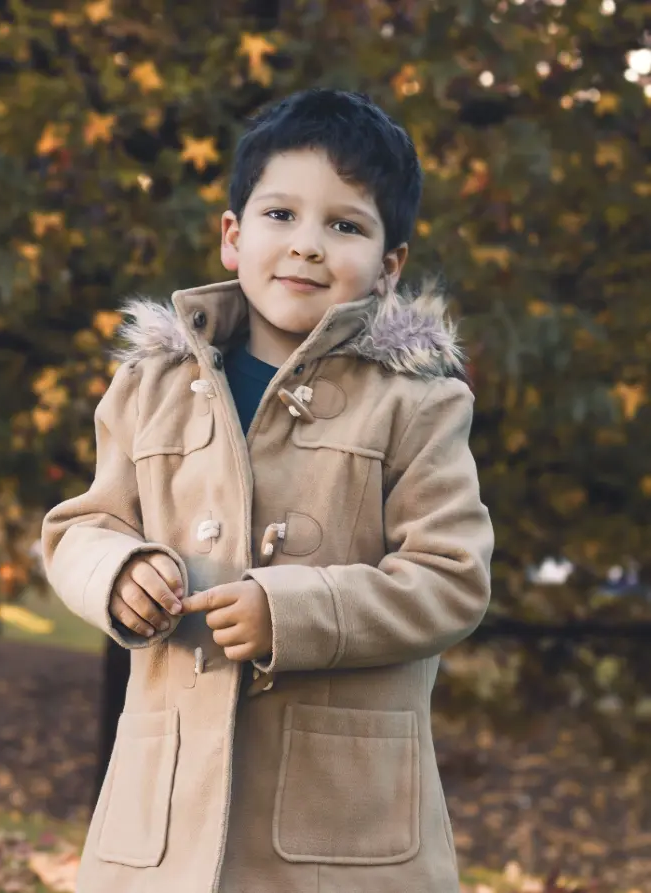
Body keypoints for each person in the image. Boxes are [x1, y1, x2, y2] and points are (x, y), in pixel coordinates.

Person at [42, 88, 494, 893]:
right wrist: (116, 571)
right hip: (162, 831)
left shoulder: (418, 401)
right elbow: (81, 526)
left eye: (345, 225)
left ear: (390, 266)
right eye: (280, 215)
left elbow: (451, 578)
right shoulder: (148, 385)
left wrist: (293, 609)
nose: (308, 247)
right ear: (232, 235)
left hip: (339, 836)